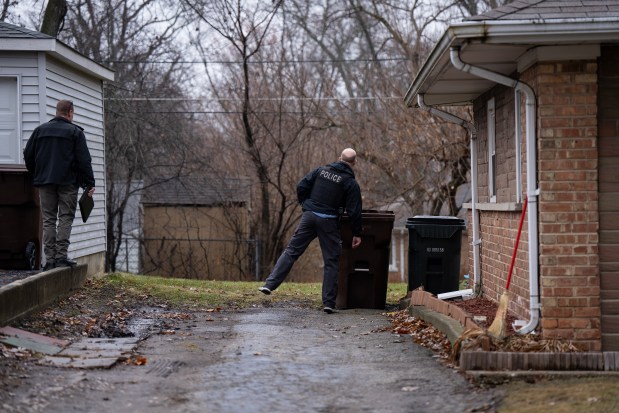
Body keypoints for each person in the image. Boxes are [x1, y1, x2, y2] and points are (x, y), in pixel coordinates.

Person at [259, 148, 363, 313]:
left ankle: (269, 284)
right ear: (354, 163)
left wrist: (306, 205)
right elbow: (354, 210)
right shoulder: (350, 183)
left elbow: (301, 186)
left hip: (309, 217)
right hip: (328, 222)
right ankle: (328, 303)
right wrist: (357, 232)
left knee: (292, 251)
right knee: (331, 262)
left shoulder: (321, 171)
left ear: (338, 158)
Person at [23, 100, 95, 271]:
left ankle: (50, 260)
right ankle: (61, 257)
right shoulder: (75, 133)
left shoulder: (40, 131)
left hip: (45, 182)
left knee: (48, 220)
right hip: (68, 183)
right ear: (70, 112)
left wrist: (37, 173)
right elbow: (84, 160)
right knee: (65, 217)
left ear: (57, 112)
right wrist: (89, 183)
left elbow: (28, 154)